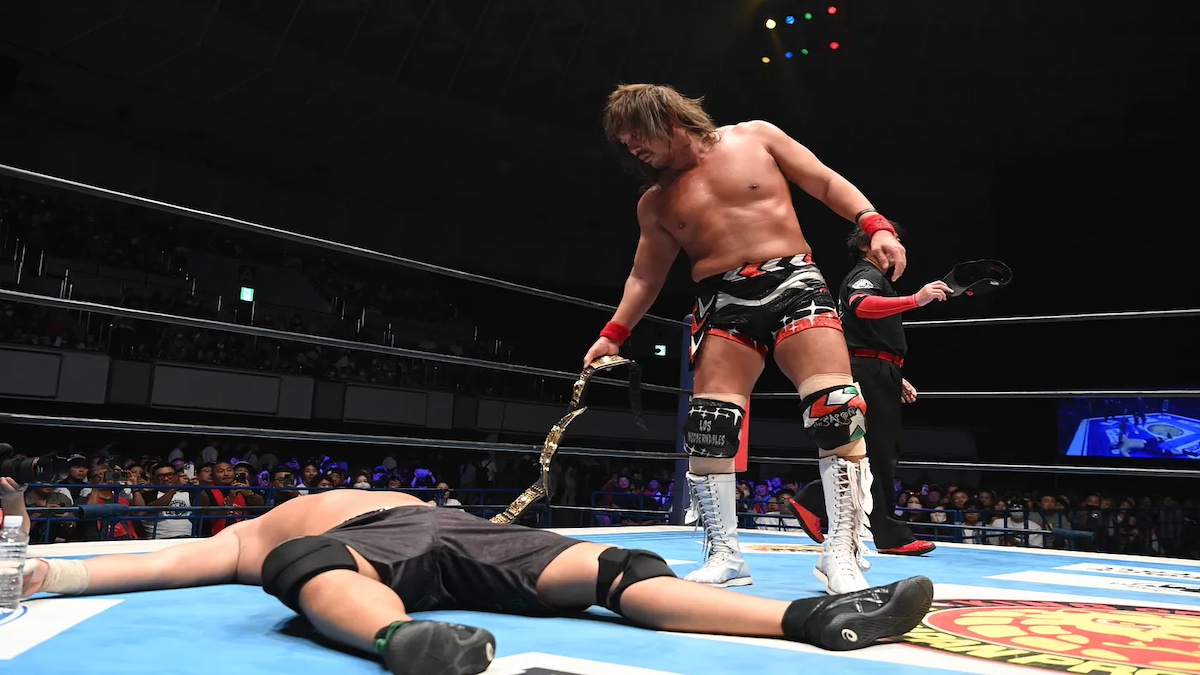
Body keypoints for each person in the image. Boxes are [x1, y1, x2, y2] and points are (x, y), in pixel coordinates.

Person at [20, 489, 935, 675]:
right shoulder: (243, 535)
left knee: (616, 567)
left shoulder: (272, 521)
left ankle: (809, 616)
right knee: (306, 564)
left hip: (460, 532)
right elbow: (139, 564)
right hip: (366, 547)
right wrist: (35, 564)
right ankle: (399, 641)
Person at [583, 83, 907, 594]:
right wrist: (613, 334)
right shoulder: (656, 202)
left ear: (668, 119)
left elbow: (824, 181)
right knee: (709, 429)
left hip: (794, 282)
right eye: (624, 143)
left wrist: (876, 225)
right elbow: (645, 277)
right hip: (723, 301)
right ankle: (725, 555)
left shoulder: (755, 137)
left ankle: (841, 554)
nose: (632, 148)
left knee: (837, 411)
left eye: (636, 135)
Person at [788, 221, 952, 556]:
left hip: (874, 367)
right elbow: (860, 304)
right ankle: (883, 531)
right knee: (878, 450)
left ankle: (815, 502)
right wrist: (916, 299)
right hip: (869, 370)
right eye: (889, 240)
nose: (896, 248)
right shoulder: (866, 274)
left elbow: (859, 330)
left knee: (873, 450)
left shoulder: (874, 277)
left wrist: (893, 373)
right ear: (866, 245)